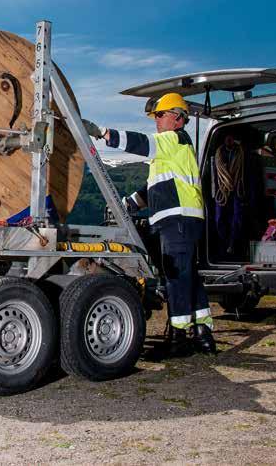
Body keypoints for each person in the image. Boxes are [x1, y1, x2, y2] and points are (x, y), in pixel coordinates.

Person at [83, 92, 216, 357]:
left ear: (177, 118)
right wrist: (127, 203)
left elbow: (141, 143)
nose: (156, 121)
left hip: (177, 219)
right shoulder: (174, 150)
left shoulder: (174, 140)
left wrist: (103, 132)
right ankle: (203, 333)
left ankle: (178, 339)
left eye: (159, 115)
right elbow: (154, 188)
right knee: (187, 275)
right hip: (181, 220)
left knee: (175, 276)